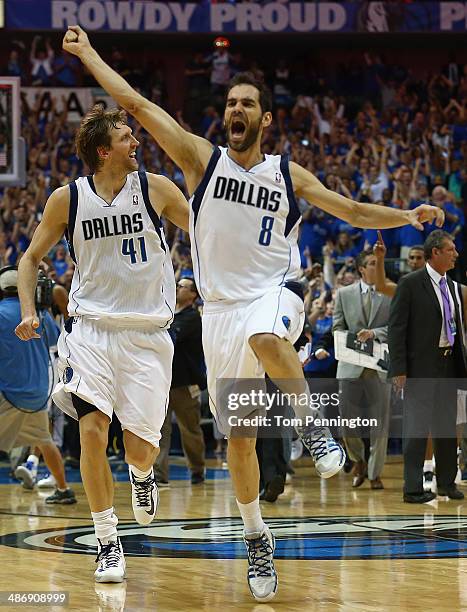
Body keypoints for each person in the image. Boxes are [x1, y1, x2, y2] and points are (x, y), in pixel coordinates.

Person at [63, 26, 444, 602]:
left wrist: (407, 215)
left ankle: (315, 432)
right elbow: (137, 106)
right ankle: (256, 537)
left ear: (266, 119)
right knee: (238, 441)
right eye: (231, 102)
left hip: (272, 292)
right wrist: (88, 53)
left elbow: (354, 211)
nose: (236, 109)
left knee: (269, 336)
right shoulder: (199, 159)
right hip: (218, 315)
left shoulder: (288, 175)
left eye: (247, 103)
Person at [15, 104, 189, 583]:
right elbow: (30, 260)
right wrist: (30, 311)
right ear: (103, 150)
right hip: (90, 329)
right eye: (127, 137)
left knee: (139, 450)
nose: (137, 143)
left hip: (148, 334)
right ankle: (107, 539)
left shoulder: (155, 189)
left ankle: (142, 474)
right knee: (90, 429)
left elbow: (207, 233)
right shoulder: (66, 199)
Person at [389, 230, 467, 503]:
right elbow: (396, 329)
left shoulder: (455, 287)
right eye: (451, 250)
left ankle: (446, 482)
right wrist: (399, 369)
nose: (456, 254)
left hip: (448, 363)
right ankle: (412, 488)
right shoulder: (410, 283)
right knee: (416, 429)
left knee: (446, 427)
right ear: (435, 253)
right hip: (419, 367)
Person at [0, 266, 75, 504]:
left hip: (8, 392)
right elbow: (56, 341)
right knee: (45, 441)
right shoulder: (39, 316)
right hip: (38, 394)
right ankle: (63, 489)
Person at [333, 249, 392, 490]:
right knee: (348, 423)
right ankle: (358, 460)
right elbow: (337, 326)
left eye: (379, 264)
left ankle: (375, 473)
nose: (376, 267)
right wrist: (355, 340)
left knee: (381, 424)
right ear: (361, 269)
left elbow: (397, 327)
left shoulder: (391, 292)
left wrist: (374, 334)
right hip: (351, 365)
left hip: (379, 365)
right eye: (371, 263)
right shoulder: (344, 294)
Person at [154, 277, 206, 487]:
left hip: (185, 384)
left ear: (193, 294)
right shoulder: (167, 313)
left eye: (181, 286)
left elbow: (170, 336)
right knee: (159, 429)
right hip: (163, 382)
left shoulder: (192, 317)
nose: (176, 288)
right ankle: (158, 473)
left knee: (190, 429)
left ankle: (197, 469)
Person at [374, 231, 425, 297]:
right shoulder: (406, 285)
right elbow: (380, 288)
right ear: (408, 261)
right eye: (412, 258)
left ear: (427, 261)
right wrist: (380, 258)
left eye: (419, 258)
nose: (415, 261)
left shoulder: (434, 283)